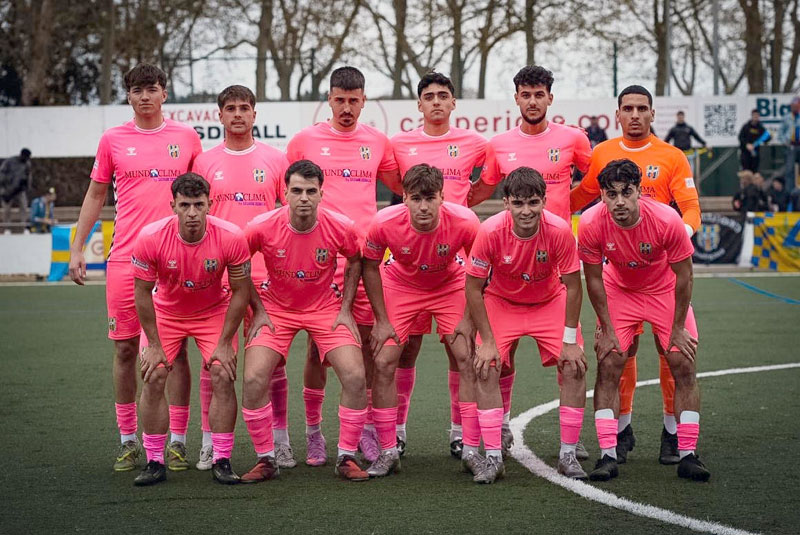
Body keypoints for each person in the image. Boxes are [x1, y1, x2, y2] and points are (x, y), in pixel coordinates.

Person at [68, 63, 203, 472]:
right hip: (126, 259)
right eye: (137, 90)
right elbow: (94, 196)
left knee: (175, 354)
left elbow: (201, 198)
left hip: (177, 262)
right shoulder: (113, 139)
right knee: (126, 350)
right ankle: (128, 440)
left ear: (164, 94)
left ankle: (177, 441)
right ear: (128, 96)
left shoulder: (186, 137)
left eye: (152, 89)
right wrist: (78, 249)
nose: (145, 96)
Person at [571, 85, 700, 466]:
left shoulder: (672, 155)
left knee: (673, 355)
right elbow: (580, 198)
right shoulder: (602, 154)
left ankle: (674, 434)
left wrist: (676, 239)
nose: (635, 115)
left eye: (642, 108)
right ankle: (619, 434)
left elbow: (690, 208)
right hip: (619, 276)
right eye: (627, 108)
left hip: (661, 268)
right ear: (617, 114)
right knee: (616, 357)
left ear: (652, 113)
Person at [468, 65, 591, 458]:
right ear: (517, 98)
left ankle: (573, 440)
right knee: (499, 357)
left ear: (550, 98)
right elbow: (483, 187)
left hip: (554, 261)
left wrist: (571, 208)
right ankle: (499, 424)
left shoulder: (573, 138)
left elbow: (594, 180)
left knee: (573, 357)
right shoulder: (499, 144)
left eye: (540, 94)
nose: (533, 101)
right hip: (508, 264)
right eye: (526, 94)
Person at [285, 66, 401, 467]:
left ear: (364, 100)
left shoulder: (378, 142)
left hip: (365, 261)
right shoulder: (305, 141)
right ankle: (314, 433)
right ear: (329, 99)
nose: (347, 107)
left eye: (354, 100)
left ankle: (367, 429)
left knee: (367, 346)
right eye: (340, 99)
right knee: (317, 352)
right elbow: (287, 196)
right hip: (318, 261)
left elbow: (402, 188)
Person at [578, 159, 710, 483]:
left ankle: (688, 453)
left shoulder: (667, 219)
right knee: (609, 362)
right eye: (611, 194)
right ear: (602, 196)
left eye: (626, 192)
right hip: (620, 289)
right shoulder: (591, 222)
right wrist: (606, 328)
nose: (619, 201)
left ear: (639, 192)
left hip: (664, 288)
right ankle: (608, 454)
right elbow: (593, 279)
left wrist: (678, 328)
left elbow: (685, 276)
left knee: (682, 362)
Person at [241, 159, 371, 482]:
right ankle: (266, 459)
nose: (303, 198)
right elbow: (239, 263)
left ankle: (346, 457)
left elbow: (355, 259)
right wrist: (257, 308)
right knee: (254, 378)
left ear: (321, 194)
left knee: (355, 376)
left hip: (325, 307)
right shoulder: (261, 226)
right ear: (284, 193)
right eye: (296, 190)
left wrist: (345, 308)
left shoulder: (341, 226)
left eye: (310, 191)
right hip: (277, 309)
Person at [465, 167, 588, 481]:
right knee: (486, 364)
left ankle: (568, 454)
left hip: (549, 301)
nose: (526, 210)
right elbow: (473, 288)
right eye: (518, 203)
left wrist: (571, 339)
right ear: (506, 203)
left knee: (575, 365)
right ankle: (493, 457)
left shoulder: (559, 230)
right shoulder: (490, 231)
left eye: (533, 202)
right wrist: (488, 341)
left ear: (544, 202)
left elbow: (574, 285)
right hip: (503, 302)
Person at [191, 85, 290, 470]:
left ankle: (280, 441)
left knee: (273, 362)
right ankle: (209, 443)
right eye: (230, 108)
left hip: (266, 278)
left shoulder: (276, 160)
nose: (237, 114)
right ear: (219, 115)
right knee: (213, 361)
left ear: (254, 114)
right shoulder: (203, 162)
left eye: (244, 108)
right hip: (216, 280)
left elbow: (288, 217)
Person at [389, 71, 488, 458]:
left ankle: (459, 432)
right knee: (406, 348)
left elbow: (490, 180)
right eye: (428, 96)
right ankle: (396, 431)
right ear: (419, 104)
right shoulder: (398, 144)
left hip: (454, 260)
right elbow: (394, 184)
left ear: (453, 103)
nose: (435, 101)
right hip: (410, 260)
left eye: (442, 96)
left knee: (458, 349)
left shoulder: (475, 142)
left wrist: (463, 207)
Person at [131, 173, 252, 486]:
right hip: (167, 314)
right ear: (173, 206)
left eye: (199, 204)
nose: (193, 212)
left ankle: (222, 459)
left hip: (212, 313)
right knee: (154, 373)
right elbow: (142, 293)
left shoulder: (231, 236)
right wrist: (154, 344)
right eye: (185, 205)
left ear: (210, 204)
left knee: (222, 374)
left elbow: (240, 291)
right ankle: (155, 461)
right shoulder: (150, 237)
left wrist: (226, 342)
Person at [362, 164, 481, 479]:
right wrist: (381, 320)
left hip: (449, 283)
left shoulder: (466, 222)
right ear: (404, 198)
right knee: (385, 360)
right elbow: (370, 267)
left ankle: (468, 445)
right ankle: (389, 448)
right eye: (416, 198)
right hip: (401, 284)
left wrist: (469, 319)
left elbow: (479, 268)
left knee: (466, 356)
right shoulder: (384, 222)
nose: (424, 206)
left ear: (443, 197)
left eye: (430, 198)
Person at [1, 148, 32, 225]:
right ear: (21, 155)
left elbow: (29, 176)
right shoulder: (9, 162)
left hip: (20, 190)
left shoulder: (27, 163)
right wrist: (3, 189)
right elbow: (2, 173)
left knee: (24, 207)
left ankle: (23, 224)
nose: (26, 159)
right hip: (8, 190)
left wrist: (28, 187)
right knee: (6, 209)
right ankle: (6, 226)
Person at [779, 96, 800, 187]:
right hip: (791, 146)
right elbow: (780, 133)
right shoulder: (786, 117)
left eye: (795, 105)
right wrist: (785, 141)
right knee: (789, 170)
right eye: (792, 105)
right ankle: (789, 194)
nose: (794, 107)